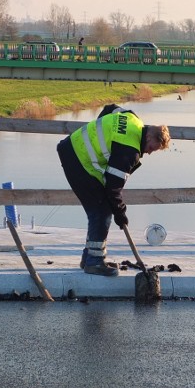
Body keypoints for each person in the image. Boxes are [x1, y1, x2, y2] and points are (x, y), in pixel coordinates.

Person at [57, 104, 170, 276]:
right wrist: (120, 214)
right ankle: (94, 262)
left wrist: (97, 134)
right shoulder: (129, 151)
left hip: (73, 147)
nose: (149, 153)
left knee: (100, 207)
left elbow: (109, 108)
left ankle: (89, 257)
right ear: (148, 137)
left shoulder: (132, 118)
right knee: (102, 211)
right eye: (152, 148)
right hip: (78, 160)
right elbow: (113, 188)